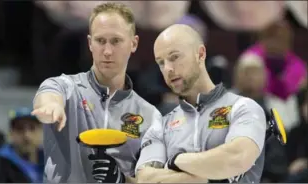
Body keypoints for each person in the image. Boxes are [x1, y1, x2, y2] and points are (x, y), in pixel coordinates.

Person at [31, 2, 161, 183]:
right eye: (100, 41)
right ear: (90, 43)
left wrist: (121, 179)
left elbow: (151, 178)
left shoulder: (150, 115)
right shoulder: (65, 87)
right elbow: (49, 95)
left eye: (116, 41)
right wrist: (52, 106)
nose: (107, 51)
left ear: (133, 43)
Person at [135, 24, 267, 183]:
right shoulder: (161, 125)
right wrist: (207, 177)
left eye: (174, 57)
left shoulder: (244, 107)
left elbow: (237, 158)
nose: (168, 69)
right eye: (161, 63)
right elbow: (145, 179)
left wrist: (175, 161)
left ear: (200, 54)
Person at [0, 107, 44, 183]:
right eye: (19, 129)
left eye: (32, 128)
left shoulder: (51, 161)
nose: (27, 135)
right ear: (11, 133)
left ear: (41, 131)